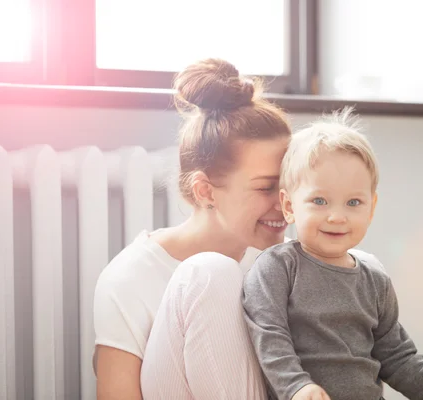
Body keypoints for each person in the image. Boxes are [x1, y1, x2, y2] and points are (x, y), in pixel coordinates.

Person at [242, 109, 423, 400]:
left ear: (371, 208)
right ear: (289, 206)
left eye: (353, 202)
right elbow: (270, 338)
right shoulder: (278, 268)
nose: (337, 216)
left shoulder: (374, 279)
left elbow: (396, 354)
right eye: (319, 200)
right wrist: (297, 387)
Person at [93, 58, 294, 399]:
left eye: (290, 183)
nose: (284, 201)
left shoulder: (284, 261)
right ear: (205, 191)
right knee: (210, 273)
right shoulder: (132, 276)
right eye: (265, 188)